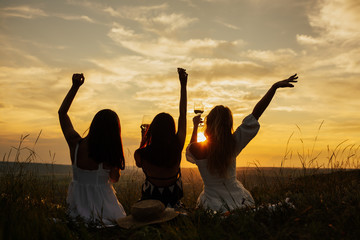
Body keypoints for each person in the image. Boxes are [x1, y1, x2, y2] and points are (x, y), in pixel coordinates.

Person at [186, 74, 298, 212]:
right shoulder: (233, 143)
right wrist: (273, 88)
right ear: (228, 125)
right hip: (236, 196)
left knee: (217, 214)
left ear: (209, 123)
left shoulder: (197, 149)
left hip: (211, 200)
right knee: (247, 211)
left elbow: (190, 150)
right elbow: (256, 114)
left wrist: (196, 126)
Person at [58, 73, 126, 226]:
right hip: (105, 212)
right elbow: (114, 179)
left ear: (93, 125)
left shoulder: (75, 144)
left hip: (77, 212)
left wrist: (75, 87)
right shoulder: (109, 156)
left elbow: (62, 113)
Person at [134, 68, 188, 208]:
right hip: (173, 206)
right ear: (172, 130)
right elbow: (183, 115)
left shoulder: (141, 154)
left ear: (153, 130)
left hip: (149, 207)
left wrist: (144, 137)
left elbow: (140, 162)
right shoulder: (177, 147)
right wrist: (183, 85)